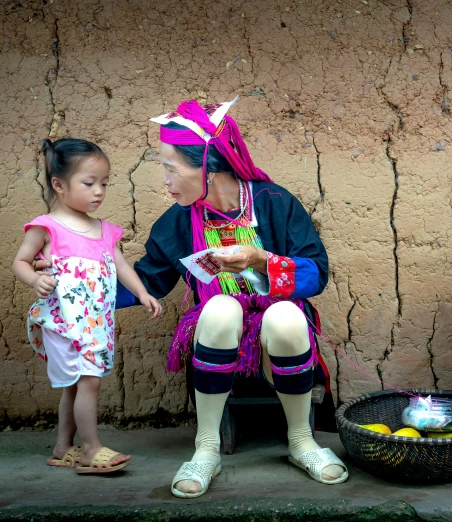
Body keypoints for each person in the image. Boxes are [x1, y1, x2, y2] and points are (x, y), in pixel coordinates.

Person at [30, 98, 348, 497]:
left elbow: (316, 273)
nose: (165, 180)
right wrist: (67, 283)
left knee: (284, 314)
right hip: (221, 331)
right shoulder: (179, 221)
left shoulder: (274, 203)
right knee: (219, 306)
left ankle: (302, 442)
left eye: (169, 168)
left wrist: (264, 260)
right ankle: (206, 447)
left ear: (208, 168)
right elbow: (147, 280)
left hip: (277, 336)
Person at [13, 138, 162, 474]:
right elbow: (20, 262)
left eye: (104, 184)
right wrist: (35, 279)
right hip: (62, 323)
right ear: (59, 185)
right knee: (88, 380)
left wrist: (142, 293)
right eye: (89, 183)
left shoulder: (106, 231)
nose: (99, 191)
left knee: (75, 386)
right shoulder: (47, 227)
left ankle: (63, 447)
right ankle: (91, 450)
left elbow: (122, 267)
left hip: (95, 324)